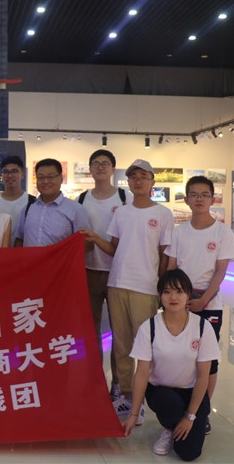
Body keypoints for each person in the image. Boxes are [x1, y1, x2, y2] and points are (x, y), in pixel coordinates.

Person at [80, 158, 174, 425]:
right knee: (121, 346)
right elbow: (115, 249)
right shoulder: (121, 213)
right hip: (117, 284)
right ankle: (127, 396)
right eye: (133, 177)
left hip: (145, 287)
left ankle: (142, 400)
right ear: (128, 182)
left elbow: (165, 254)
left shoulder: (163, 214)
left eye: (143, 176)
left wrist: (162, 287)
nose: (138, 181)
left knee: (144, 346)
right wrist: (96, 239)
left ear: (152, 181)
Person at [122, 269, 219, 460]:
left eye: (179, 291)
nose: (173, 297)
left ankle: (184, 424)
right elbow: (141, 373)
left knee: (189, 453)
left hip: (192, 392)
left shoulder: (202, 327)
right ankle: (170, 427)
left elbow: (203, 376)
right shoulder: (149, 327)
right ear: (160, 295)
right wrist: (133, 415)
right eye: (167, 291)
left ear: (188, 294)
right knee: (170, 405)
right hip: (161, 392)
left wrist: (190, 416)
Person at [166, 175, 234, 434]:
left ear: (212, 199)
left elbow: (220, 271)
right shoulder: (178, 232)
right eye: (194, 194)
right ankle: (180, 410)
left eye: (204, 195)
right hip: (179, 305)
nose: (199, 199)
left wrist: (204, 300)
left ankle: (201, 412)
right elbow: (172, 269)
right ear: (186, 199)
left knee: (207, 361)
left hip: (210, 305)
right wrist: (176, 300)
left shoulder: (222, 232)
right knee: (180, 358)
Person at [78, 149, 126, 400]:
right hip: (89, 272)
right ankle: (95, 381)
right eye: (95, 163)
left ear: (113, 169)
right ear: (90, 169)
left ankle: (118, 383)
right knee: (91, 331)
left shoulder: (124, 197)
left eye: (105, 164)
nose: (100, 167)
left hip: (118, 273)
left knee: (119, 332)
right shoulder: (82, 198)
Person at [13, 158, 92, 252]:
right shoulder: (28, 208)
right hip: (30, 261)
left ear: (61, 178)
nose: (46, 181)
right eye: (41, 177)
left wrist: (61, 249)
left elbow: (88, 245)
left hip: (60, 261)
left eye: (51, 177)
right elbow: (20, 239)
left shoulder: (76, 209)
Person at [0, 155, 35, 246]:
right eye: (5, 172)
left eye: (14, 171)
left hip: (23, 251)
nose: (9, 175)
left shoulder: (32, 202)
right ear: (1, 176)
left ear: (22, 174)